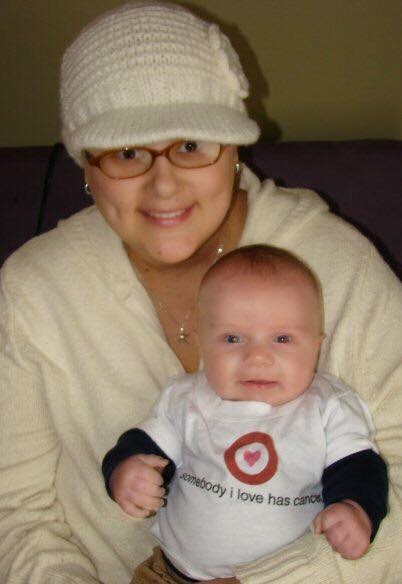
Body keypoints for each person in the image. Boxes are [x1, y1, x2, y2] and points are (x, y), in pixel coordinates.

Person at [0, 1, 401, 583]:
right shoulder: (33, 289)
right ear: (85, 165)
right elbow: (15, 510)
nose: (163, 185)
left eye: (191, 145)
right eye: (127, 152)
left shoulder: (338, 262)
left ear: (233, 148)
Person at [103, 245, 388, 582]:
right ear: (202, 342)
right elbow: (143, 447)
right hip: (172, 573)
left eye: (282, 338)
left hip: (280, 577)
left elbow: (358, 467)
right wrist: (124, 472)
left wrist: (355, 508)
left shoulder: (327, 406)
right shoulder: (188, 398)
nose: (257, 357)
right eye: (233, 338)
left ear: (316, 344)